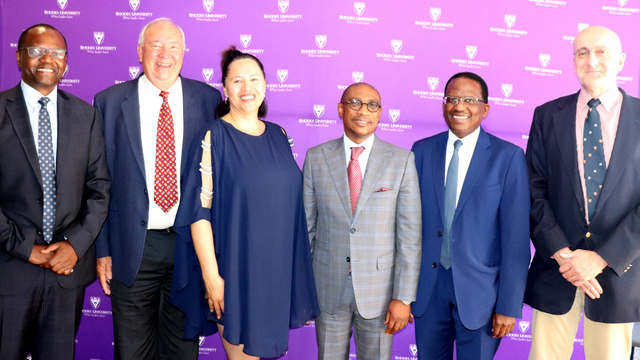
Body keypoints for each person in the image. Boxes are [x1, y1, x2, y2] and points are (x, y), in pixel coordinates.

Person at [170, 46, 319, 360]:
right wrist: (212, 278)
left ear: (266, 86)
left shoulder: (280, 135)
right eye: (237, 81)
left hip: (277, 274)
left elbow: (289, 210)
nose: (246, 88)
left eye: (254, 79)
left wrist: (296, 279)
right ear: (225, 90)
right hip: (234, 273)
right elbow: (199, 214)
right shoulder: (213, 137)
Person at [93, 18, 221, 360]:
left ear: (184, 53)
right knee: (132, 351)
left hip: (188, 247)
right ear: (140, 52)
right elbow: (98, 183)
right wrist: (102, 249)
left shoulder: (209, 99)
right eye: (156, 46)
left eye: (174, 46)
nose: (165, 55)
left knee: (182, 350)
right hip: (133, 247)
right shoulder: (108, 102)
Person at [525, 25, 640, 360]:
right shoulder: (547, 115)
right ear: (573, 61)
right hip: (556, 269)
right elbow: (535, 190)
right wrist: (564, 256)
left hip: (617, 273)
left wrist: (601, 258)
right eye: (582, 53)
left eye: (601, 51)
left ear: (620, 60)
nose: (591, 60)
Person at [0, 24, 110, 359]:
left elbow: (99, 188)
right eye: (36, 51)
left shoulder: (86, 116)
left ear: (66, 63)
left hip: (67, 274)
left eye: (57, 53)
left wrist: (75, 246)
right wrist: (24, 247)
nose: (48, 59)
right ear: (19, 57)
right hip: (9, 270)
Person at [410, 72, 530, 360]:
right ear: (443, 105)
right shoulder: (421, 151)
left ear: (484, 108)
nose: (459, 106)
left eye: (469, 100)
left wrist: (509, 305)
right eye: (452, 99)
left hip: (482, 295)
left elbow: (516, 240)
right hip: (427, 290)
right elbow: (407, 226)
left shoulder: (508, 157)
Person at [303, 82, 422, 360]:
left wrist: (403, 298)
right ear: (341, 109)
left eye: (372, 105)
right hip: (327, 288)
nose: (363, 111)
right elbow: (306, 230)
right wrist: (304, 290)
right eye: (355, 103)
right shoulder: (316, 158)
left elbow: (410, 236)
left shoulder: (401, 161)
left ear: (380, 114)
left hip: (380, 295)